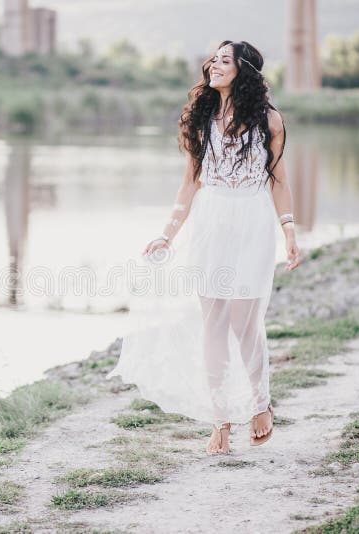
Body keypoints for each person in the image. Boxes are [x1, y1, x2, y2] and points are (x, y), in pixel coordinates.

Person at [105, 40, 300, 456]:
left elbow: (278, 181)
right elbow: (189, 184)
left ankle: (261, 404)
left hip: (251, 224)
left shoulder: (270, 120)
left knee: (245, 325)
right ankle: (221, 422)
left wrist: (290, 232)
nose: (214, 65)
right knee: (213, 326)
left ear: (243, 71)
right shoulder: (202, 117)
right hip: (211, 224)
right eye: (214, 59)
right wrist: (166, 233)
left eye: (224, 60)